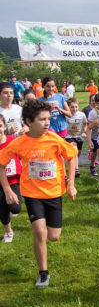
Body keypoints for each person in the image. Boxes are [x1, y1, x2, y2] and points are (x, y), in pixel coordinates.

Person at [0, 100, 77, 287]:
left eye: (48, 119)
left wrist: (71, 184)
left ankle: (44, 247)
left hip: (53, 194)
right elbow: (2, 164)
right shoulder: (20, 143)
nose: (47, 123)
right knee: (39, 232)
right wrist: (8, 189)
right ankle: (43, 273)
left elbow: (72, 156)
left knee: (53, 236)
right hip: (32, 194)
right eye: (42, 120)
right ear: (28, 121)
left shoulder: (54, 139)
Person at [0, 114, 22, 243]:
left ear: (4, 127)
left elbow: (23, 155)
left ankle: (9, 208)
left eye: (0, 126)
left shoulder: (12, 141)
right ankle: (8, 231)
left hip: (13, 180)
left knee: (16, 208)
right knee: (2, 209)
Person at [64, 98, 88, 177]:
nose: (74, 109)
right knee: (75, 150)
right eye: (72, 107)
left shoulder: (81, 115)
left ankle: (72, 164)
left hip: (79, 136)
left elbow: (85, 124)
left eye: (76, 107)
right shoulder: (66, 116)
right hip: (69, 136)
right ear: (68, 107)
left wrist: (84, 132)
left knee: (77, 153)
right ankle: (76, 170)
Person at [87, 93, 99, 175]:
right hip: (95, 136)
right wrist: (89, 140)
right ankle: (92, 165)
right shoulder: (93, 113)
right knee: (95, 152)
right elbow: (89, 127)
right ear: (96, 103)